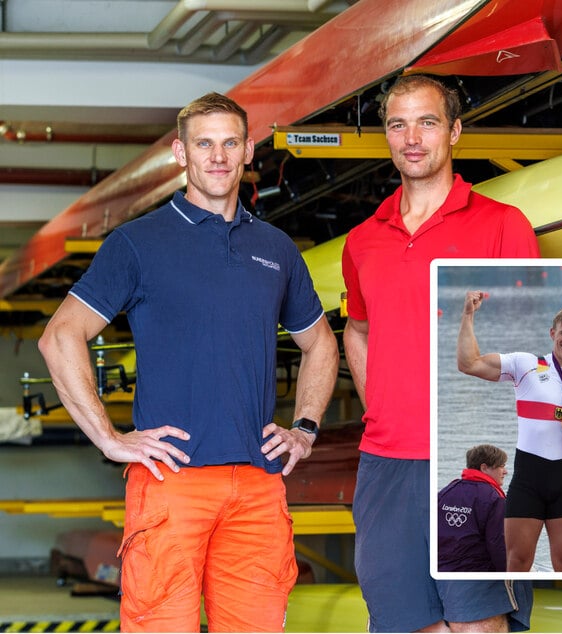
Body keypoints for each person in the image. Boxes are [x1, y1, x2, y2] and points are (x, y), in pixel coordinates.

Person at [37, 92, 339, 632]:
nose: (218, 156)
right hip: (171, 483)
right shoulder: (138, 243)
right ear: (181, 153)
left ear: (249, 151)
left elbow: (321, 343)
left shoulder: (275, 248)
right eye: (204, 144)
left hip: (257, 485)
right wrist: (109, 438)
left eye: (230, 143)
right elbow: (60, 337)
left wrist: (306, 429)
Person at [341, 75, 538, 633]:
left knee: (479, 625)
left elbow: (526, 348)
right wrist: (379, 404)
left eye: (427, 122)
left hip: (469, 462)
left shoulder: (503, 226)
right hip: (385, 466)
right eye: (397, 124)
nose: (412, 137)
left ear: (453, 130)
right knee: (410, 625)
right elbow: (357, 331)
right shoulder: (363, 240)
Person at [457, 292, 562, 573]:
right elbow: (468, 364)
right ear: (552, 333)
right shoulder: (525, 365)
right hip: (528, 482)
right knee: (517, 563)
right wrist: (468, 315)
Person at [438, 444, 509, 573]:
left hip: (443, 569)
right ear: (484, 468)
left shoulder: (446, 492)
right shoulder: (494, 499)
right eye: (501, 466)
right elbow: (498, 544)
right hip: (477, 571)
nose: (505, 472)